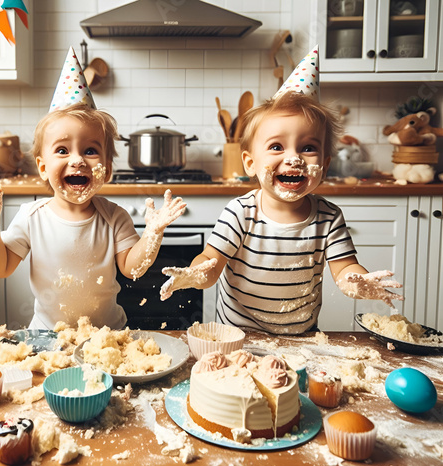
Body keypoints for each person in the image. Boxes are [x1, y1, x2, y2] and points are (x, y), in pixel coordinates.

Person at [0, 48, 186, 331]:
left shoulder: (115, 217)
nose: (77, 160)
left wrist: (152, 234)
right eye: (62, 150)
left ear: (108, 168)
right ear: (42, 167)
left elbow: (132, 268)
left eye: (90, 150)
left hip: (107, 335)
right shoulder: (32, 216)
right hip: (47, 335)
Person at [160, 89, 403, 334]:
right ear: (250, 163)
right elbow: (211, 263)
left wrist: (359, 283)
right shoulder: (240, 212)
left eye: (308, 148)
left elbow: (344, 269)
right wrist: (194, 274)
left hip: (301, 338)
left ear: (325, 165)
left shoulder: (328, 217)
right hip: (238, 336)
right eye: (277, 146)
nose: (294, 158)